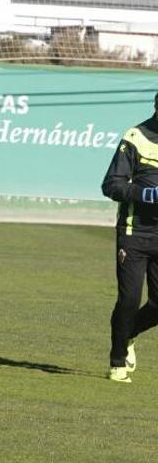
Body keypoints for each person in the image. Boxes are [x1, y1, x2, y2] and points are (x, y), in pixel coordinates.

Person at [100, 92, 158, 383]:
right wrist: (146, 194)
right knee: (129, 300)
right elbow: (111, 185)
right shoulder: (136, 137)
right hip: (134, 234)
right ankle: (117, 360)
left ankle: (129, 332)